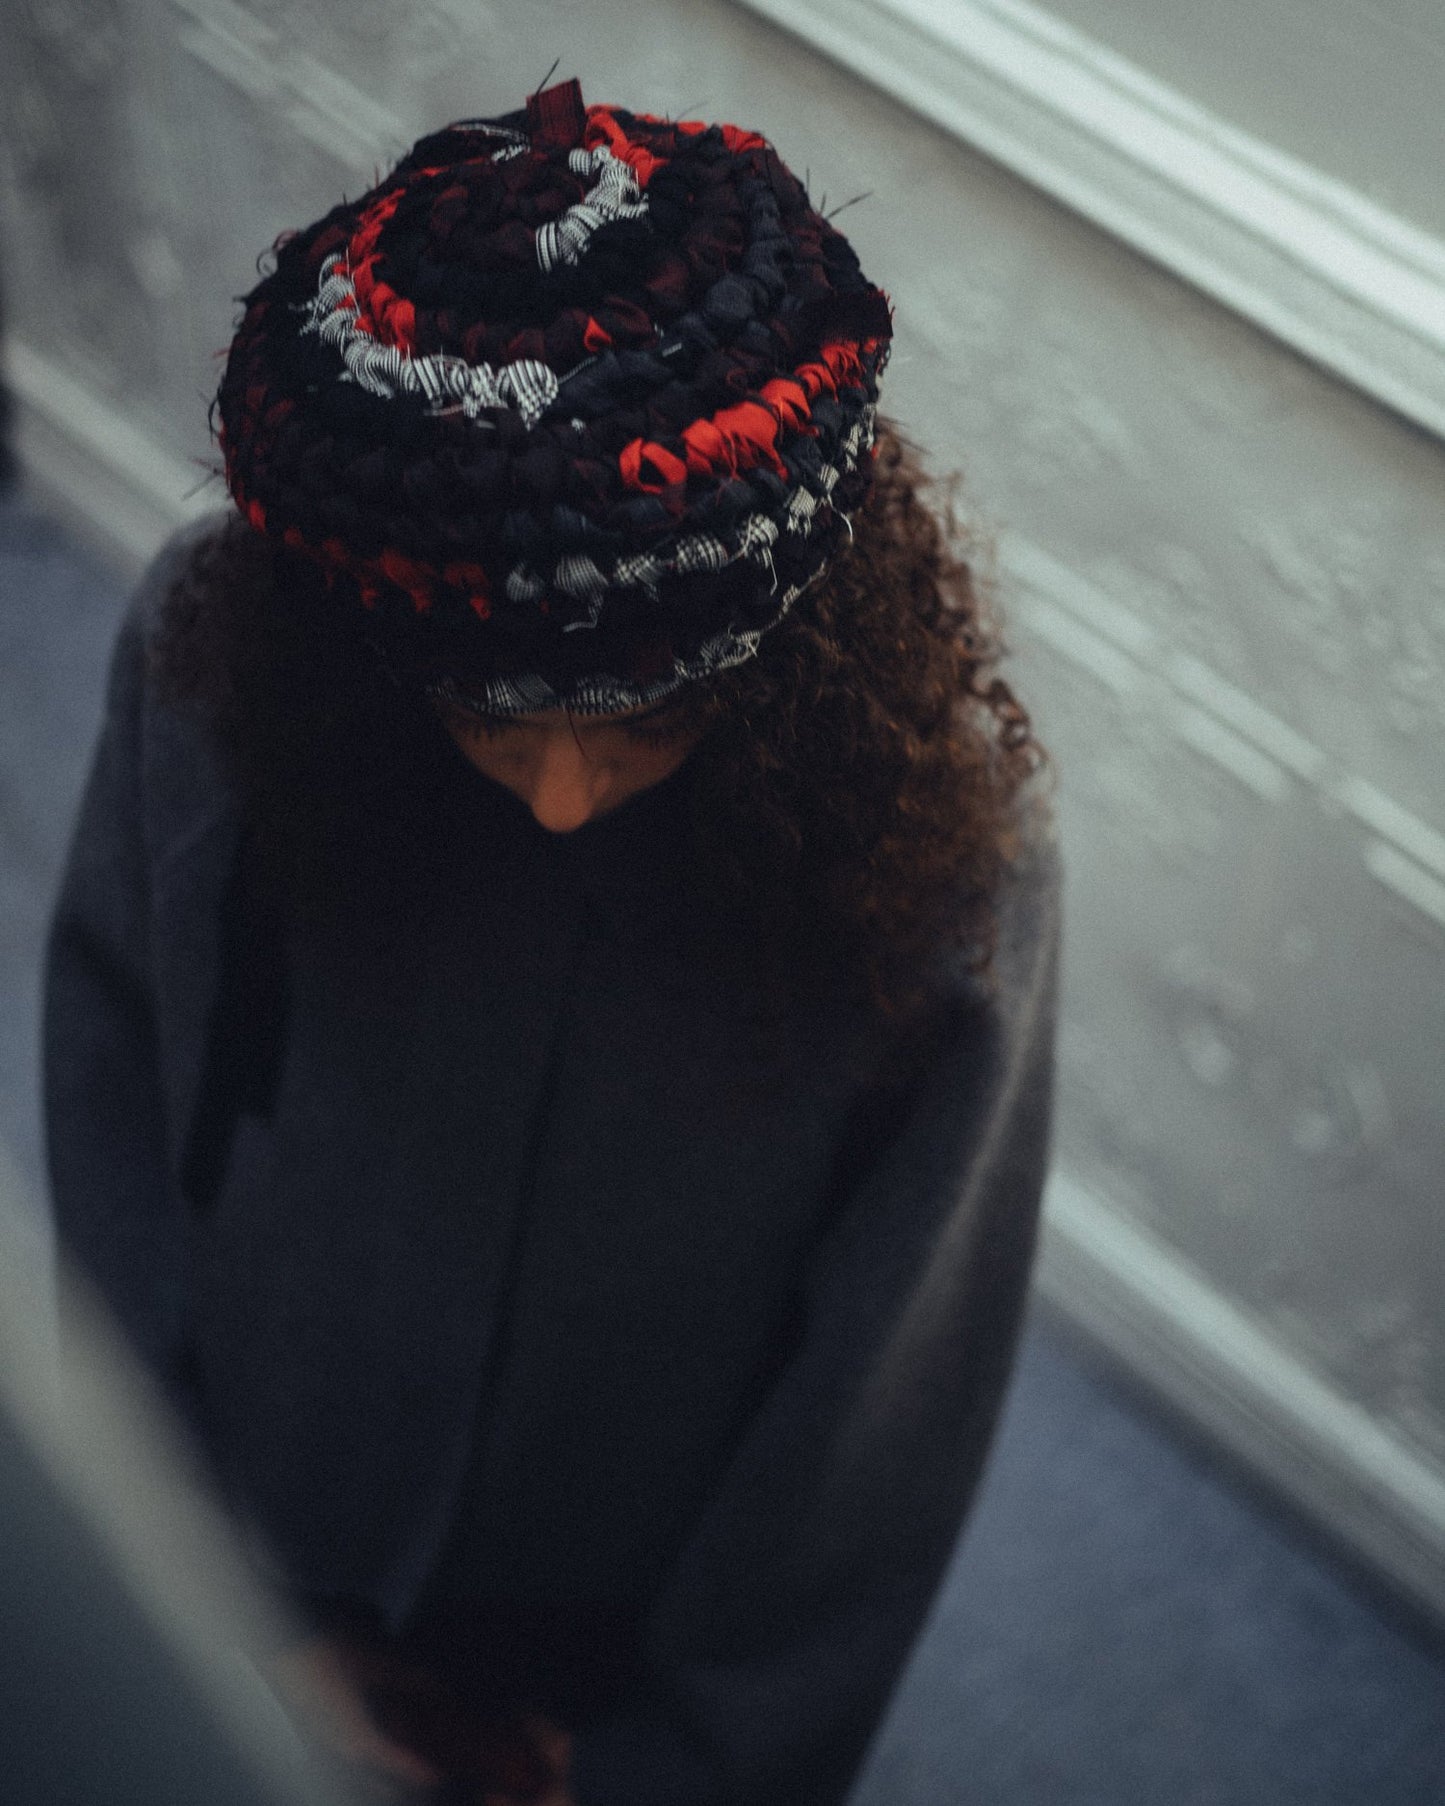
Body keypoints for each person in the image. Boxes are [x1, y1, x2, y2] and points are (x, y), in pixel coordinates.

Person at [43, 79, 1060, 1806]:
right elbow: (115, 1084)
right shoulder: (214, 659)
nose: (568, 799)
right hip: (264, 1494)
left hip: (610, 1616)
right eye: (495, 726)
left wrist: (672, 1767)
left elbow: (887, 1399)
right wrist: (188, 1578)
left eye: (643, 723)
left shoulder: (952, 855)